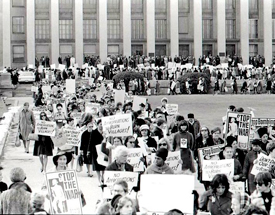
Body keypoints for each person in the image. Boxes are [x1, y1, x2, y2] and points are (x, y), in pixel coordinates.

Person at [86, 119, 106, 183]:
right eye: (100, 124)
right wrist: (88, 150)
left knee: (104, 164)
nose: (101, 126)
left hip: (104, 150)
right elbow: (90, 142)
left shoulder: (105, 132)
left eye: (102, 124)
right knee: (97, 165)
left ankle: (103, 176)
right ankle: (99, 179)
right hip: (95, 151)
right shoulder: (94, 132)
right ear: (97, 125)